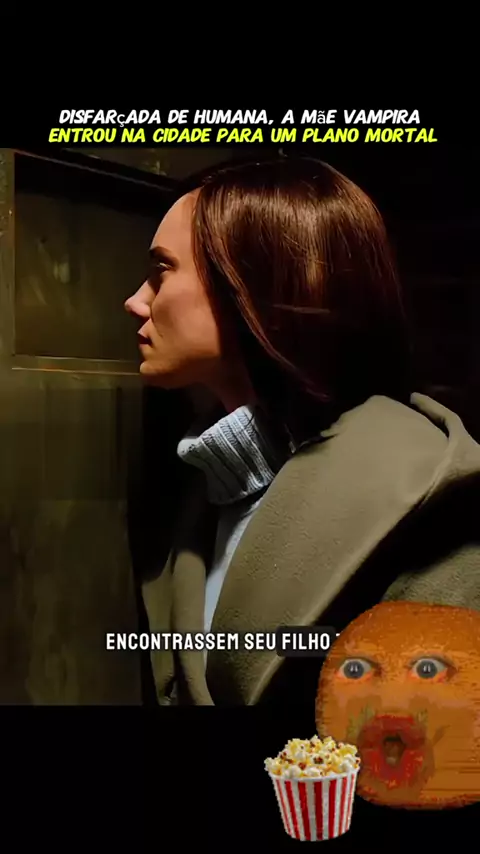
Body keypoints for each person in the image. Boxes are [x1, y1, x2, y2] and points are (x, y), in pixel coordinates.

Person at [124, 155, 480, 709]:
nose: (136, 301)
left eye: (161, 271)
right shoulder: (195, 490)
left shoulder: (429, 498)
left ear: (251, 286)